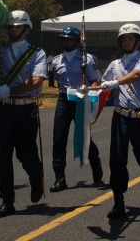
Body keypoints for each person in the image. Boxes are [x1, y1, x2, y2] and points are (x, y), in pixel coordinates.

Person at [0, 10, 46, 218]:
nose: (12, 30)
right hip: (4, 108)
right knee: (2, 155)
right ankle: (7, 200)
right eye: (10, 26)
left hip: (25, 107)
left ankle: (35, 176)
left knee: (26, 153)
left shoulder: (36, 52)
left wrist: (11, 90)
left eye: (16, 26)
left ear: (26, 29)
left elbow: (36, 80)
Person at [100, 23, 140, 219]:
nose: (127, 42)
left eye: (131, 38)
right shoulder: (114, 64)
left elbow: (136, 75)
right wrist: (93, 87)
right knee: (117, 160)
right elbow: (103, 85)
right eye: (124, 39)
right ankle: (118, 201)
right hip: (120, 117)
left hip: (139, 118)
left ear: (138, 41)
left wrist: (115, 82)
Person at [49, 26, 102, 192]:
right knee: (59, 137)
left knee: (83, 137)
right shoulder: (56, 60)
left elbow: (96, 81)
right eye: (64, 39)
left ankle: (95, 163)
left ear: (76, 41)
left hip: (81, 100)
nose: (67, 42)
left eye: (70, 39)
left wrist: (89, 87)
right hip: (64, 100)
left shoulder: (88, 59)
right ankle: (60, 177)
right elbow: (56, 81)